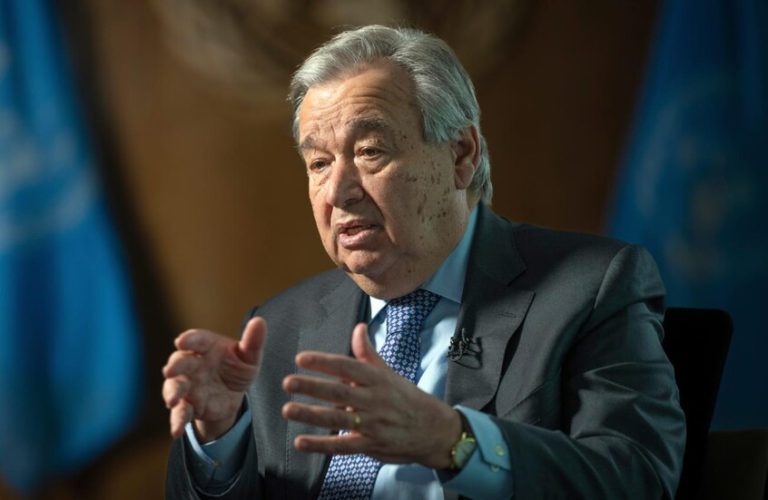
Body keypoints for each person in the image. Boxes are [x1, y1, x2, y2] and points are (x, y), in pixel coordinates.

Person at [163, 25, 685, 499]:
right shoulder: (277, 327)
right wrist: (219, 436)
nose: (338, 191)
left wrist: (451, 440)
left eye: (370, 151)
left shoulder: (588, 289)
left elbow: (638, 478)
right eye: (318, 163)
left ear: (461, 155)